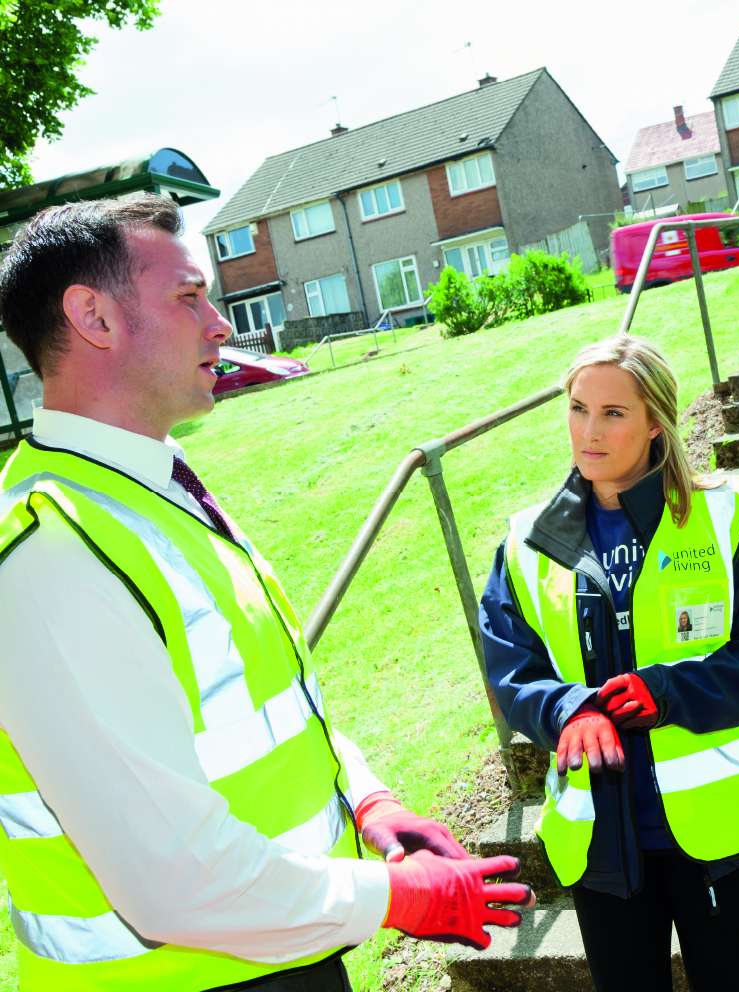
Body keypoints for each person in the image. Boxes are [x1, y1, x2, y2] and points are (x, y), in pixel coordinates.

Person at [0, 196, 532, 992]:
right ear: (93, 317)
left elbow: (262, 707)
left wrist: (367, 801)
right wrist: (395, 895)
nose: (220, 325)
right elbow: (172, 877)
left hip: (277, 956)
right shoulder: (51, 553)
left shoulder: (151, 492)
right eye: (189, 297)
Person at [480, 333, 739, 992]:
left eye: (613, 413)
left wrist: (671, 692)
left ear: (655, 422)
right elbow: (510, 663)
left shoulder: (732, 518)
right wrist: (567, 711)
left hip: (719, 830)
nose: (588, 431)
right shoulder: (526, 542)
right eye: (577, 408)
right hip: (599, 836)